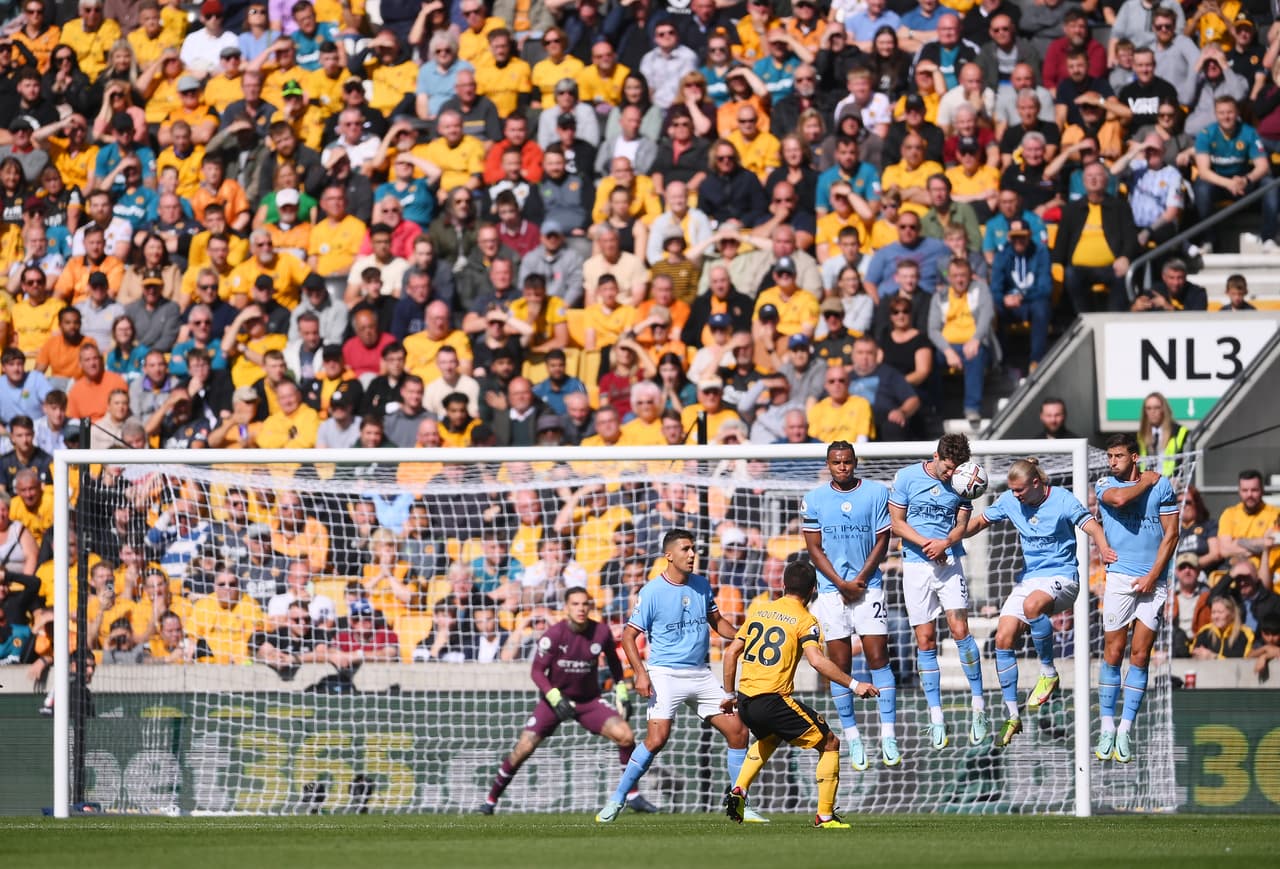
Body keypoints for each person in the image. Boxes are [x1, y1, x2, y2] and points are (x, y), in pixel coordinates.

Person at [595, 528, 756, 824]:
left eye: (693, 548)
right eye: (686, 549)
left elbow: (718, 622)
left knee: (738, 732)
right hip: (665, 673)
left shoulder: (702, 585)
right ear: (669, 555)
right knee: (657, 739)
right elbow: (629, 637)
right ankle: (617, 798)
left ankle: (739, 806)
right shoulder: (652, 592)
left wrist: (744, 637)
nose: (692, 554)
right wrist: (640, 674)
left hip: (700, 674)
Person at [963, 458, 1117, 747]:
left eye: (1020, 490)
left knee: (1032, 607)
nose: (1015, 495)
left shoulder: (1062, 499)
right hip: (1030, 579)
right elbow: (980, 522)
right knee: (1003, 637)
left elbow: (1091, 525)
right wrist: (951, 539)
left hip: (1064, 578)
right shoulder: (1011, 500)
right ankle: (1012, 715)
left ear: (1037, 483)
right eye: (1012, 490)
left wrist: (1105, 548)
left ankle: (1048, 673)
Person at [721, 560, 878, 830]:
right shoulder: (806, 620)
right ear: (813, 590)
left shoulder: (760, 611)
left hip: (746, 700)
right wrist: (854, 684)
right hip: (772, 699)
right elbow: (817, 661)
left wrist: (728, 693)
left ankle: (739, 791)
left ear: (783, 585)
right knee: (830, 742)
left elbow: (730, 652)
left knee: (770, 737)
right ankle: (825, 817)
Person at [479, 587, 656, 815]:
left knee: (625, 735)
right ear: (566, 608)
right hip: (555, 701)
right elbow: (537, 671)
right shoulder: (554, 634)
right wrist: (554, 696)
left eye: (585, 604)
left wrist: (621, 690)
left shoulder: (600, 632)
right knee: (523, 748)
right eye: (575, 604)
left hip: (588, 701)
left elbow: (613, 662)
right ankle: (491, 800)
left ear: (590, 606)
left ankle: (632, 795)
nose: (580, 609)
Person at [888, 434, 989, 750]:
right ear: (936, 456)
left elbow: (962, 524)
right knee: (925, 639)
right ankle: (935, 716)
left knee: (961, 630)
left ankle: (979, 706)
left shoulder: (964, 481)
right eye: (947, 469)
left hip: (950, 564)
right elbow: (896, 523)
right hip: (916, 567)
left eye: (955, 469)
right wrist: (926, 544)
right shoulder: (907, 477)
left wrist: (945, 543)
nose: (951, 475)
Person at [802, 441, 896, 769]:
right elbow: (814, 549)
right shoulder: (813, 499)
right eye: (836, 462)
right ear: (828, 464)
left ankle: (888, 735)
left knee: (878, 657)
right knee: (839, 667)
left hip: (868, 587)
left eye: (847, 461)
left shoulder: (876, 493)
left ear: (855, 462)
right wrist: (841, 583)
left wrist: (858, 580)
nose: (842, 466)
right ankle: (852, 736)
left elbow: (883, 540)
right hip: (830, 592)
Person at [1094, 434, 1180, 764]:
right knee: (1114, 651)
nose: (1112, 461)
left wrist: (1152, 575)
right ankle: (1106, 726)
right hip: (1118, 579)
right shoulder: (1104, 483)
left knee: (1141, 654)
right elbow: (1117, 501)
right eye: (1110, 456)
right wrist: (1144, 481)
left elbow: (1171, 535)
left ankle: (1125, 729)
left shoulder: (1163, 486)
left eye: (1118, 456)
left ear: (1134, 456)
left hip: (1153, 581)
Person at [1135, 391, 1190, 478]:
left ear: (1164, 409)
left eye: (1157, 408)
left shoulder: (1180, 432)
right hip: (1148, 483)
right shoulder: (1141, 435)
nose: (1152, 412)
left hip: (1172, 482)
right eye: (1148, 408)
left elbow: (1188, 462)